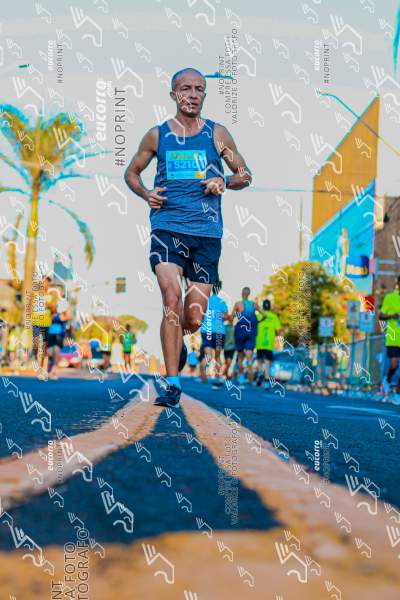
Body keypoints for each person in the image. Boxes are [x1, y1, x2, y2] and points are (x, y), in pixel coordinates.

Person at [124, 67, 252, 407]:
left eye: (199, 89)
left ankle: (176, 343)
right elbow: (131, 172)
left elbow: (245, 174)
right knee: (171, 298)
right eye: (185, 88)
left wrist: (224, 181)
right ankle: (172, 383)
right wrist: (146, 193)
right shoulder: (157, 135)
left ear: (204, 95)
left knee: (193, 318)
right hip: (167, 227)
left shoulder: (217, 134)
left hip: (206, 234)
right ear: (173, 95)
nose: (193, 94)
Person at [199, 281, 229, 389]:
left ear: (211, 288)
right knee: (217, 356)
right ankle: (217, 377)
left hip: (206, 330)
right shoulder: (222, 302)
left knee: (208, 356)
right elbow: (226, 317)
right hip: (219, 331)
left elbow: (200, 314)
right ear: (219, 289)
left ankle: (203, 371)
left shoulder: (205, 300)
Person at [232, 287, 261, 388]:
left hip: (241, 331)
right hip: (251, 331)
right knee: (249, 356)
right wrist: (258, 321)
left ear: (242, 293)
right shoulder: (254, 304)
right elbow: (264, 314)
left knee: (240, 356)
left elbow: (232, 317)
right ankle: (251, 380)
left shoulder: (238, 304)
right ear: (249, 294)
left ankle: (240, 378)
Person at [379, 276, 400, 401]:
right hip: (393, 338)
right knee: (394, 365)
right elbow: (381, 315)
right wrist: (392, 316)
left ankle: (398, 393)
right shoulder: (390, 297)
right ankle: (387, 380)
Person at [45, 285, 72, 380]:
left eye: (59, 291)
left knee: (56, 350)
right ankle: (50, 365)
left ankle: (54, 370)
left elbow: (69, 316)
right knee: (49, 352)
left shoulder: (64, 303)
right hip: (49, 329)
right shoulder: (49, 301)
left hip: (59, 331)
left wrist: (61, 317)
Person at [255, 299, 281, 391]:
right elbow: (278, 331)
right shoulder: (274, 317)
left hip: (259, 342)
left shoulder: (258, 315)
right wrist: (276, 336)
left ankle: (259, 374)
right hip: (269, 343)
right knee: (267, 363)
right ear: (270, 307)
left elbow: (253, 327)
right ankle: (266, 383)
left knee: (259, 360)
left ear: (263, 306)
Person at [31, 275, 53, 376]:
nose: (46, 285)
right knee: (36, 344)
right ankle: (35, 358)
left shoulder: (50, 296)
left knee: (44, 347)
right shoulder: (35, 294)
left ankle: (41, 368)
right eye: (44, 282)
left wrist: (50, 306)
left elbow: (54, 309)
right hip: (36, 322)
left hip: (46, 323)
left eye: (48, 283)